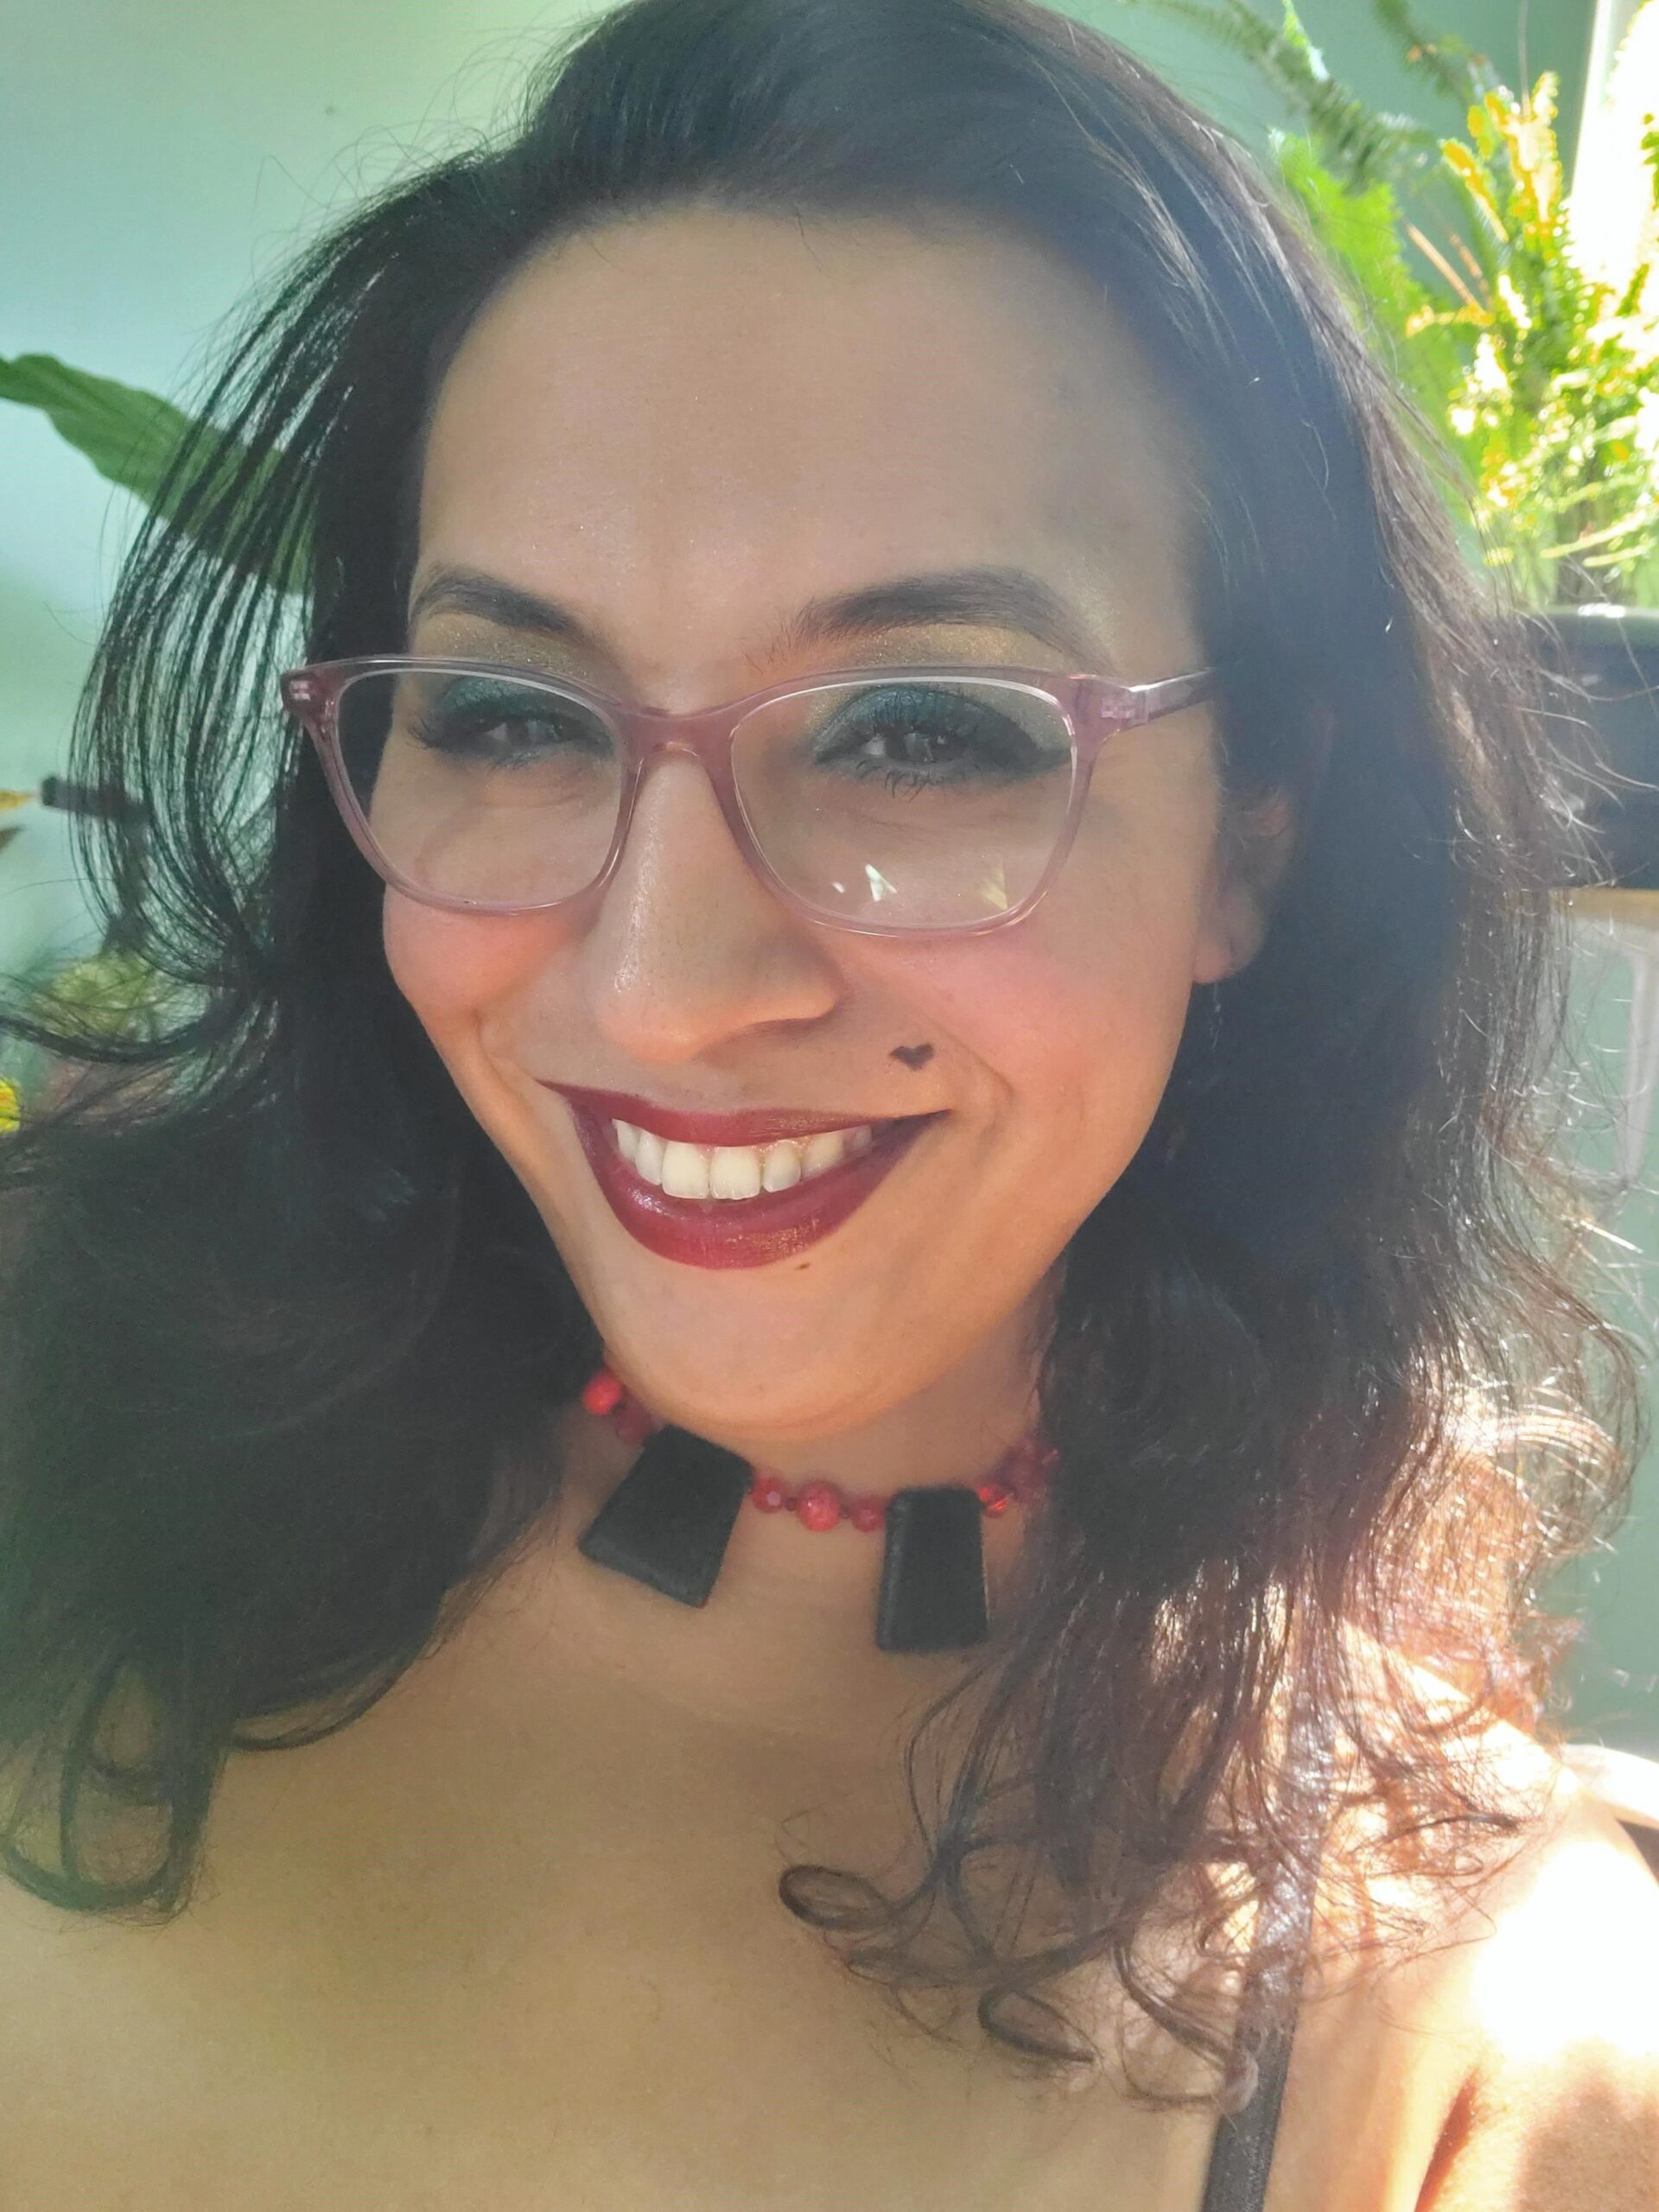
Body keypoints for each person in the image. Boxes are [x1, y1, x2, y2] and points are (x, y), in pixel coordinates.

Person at [1, 0, 1656, 2202]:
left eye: (923, 732)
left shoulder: (1478, 2030)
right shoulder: (53, 1435)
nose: (663, 989)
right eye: (510, 709)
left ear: (1253, 832)